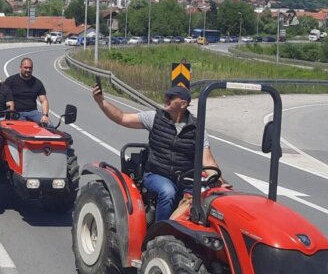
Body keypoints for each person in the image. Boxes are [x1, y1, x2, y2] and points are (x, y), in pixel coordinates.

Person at [91, 82, 228, 222]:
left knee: (206, 197)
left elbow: (207, 160)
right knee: (168, 192)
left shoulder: (197, 128)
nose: (166, 99)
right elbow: (122, 118)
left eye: (171, 97)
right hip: (156, 174)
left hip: (185, 179)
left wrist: (221, 183)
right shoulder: (154, 118)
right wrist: (101, 101)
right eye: (166, 96)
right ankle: (160, 231)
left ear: (183, 104)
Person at [3, 57, 51, 127]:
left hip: (32, 112)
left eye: (30, 68)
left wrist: (45, 115)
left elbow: (44, 101)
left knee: (49, 126)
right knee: (22, 128)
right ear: (20, 67)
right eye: (25, 67)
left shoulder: (37, 83)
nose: (28, 70)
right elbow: (2, 96)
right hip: (16, 112)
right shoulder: (10, 81)